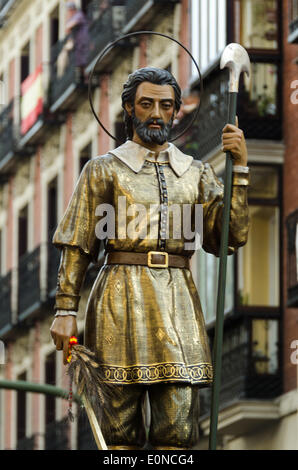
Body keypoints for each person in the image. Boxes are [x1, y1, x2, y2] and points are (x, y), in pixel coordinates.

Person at [50, 67, 250, 450]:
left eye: (166, 105)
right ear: (130, 108)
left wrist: (239, 167)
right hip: (118, 298)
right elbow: (77, 243)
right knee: (118, 427)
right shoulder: (103, 170)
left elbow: (228, 236)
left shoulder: (196, 174)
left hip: (177, 299)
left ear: (176, 111)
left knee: (177, 424)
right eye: (147, 104)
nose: (157, 113)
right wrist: (64, 308)